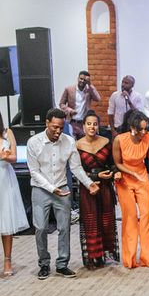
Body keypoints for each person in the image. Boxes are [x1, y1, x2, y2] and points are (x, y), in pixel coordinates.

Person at [27, 108, 99, 280]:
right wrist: (51, 189)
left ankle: (62, 265)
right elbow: (34, 172)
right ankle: (44, 264)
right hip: (40, 189)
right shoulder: (33, 142)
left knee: (64, 228)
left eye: (61, 127)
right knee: (41, 228)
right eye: (54, 127)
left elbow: (75, 168)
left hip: (63, 190)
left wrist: (89, 184)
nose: (58, 131)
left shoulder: (68, 141)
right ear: (46, 123)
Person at [75, 111, 119, 269]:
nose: (92, 127)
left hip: (105, 187)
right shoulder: (77, 145)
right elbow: (76, 170)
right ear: (83, 126)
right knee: (91, 221)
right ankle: (93, 257)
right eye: (89, 124)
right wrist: (94, 176)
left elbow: (113, 164)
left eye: (95, 124)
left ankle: (105, 254)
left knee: (106, 221)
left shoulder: (107, 141)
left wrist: (113, 173)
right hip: (88, 188)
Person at [112, 111, 149, 268]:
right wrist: (132, 173)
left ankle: (147, 258)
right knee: (130, 217)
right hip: (125, 179)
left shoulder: (148, 137)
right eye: (140, 129)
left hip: (141, 177)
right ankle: (129, 260)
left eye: (145, 129)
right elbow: (117, 163)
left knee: (146, 216)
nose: (143, 132)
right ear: (132, 127)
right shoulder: (119, 140)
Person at [0, 117, 28, 276]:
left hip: (4, 178)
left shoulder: (7, 132)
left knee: (6, 219)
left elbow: (14, 157)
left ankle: (7, 260)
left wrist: (5, 156)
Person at [59, 70, 101, 139]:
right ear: (78, 78)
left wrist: (90, 84)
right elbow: (61, 104)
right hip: (71, 122)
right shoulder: (69, 89)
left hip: (84, 123)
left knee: (83, 145)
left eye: (84, 80)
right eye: (81, 79)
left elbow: (98, 99)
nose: (82, 81)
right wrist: (70, 110)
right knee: (72, 144)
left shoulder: (89, 90)